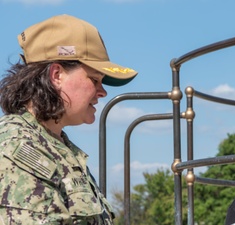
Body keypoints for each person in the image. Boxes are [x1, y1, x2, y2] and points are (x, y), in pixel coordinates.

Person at [0, 14, 137, 224]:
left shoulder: (57, 146)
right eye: (94, 79)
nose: (102, 92)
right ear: (57, 75)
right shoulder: (17, 146)